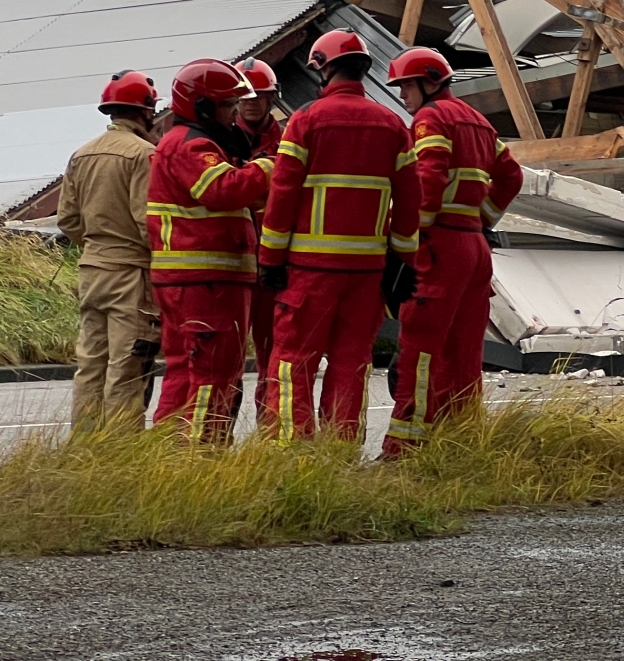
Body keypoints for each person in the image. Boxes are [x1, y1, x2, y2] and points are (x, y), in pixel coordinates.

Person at [258, 30, 420, 442]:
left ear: (323, 68)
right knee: (352, 363)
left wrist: (270, 260)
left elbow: (282, 195)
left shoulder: (306, 120)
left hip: (308, 272)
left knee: (294, 361)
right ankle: (340, 451)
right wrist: (401, 261)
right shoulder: (393, 125)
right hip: (367, 275)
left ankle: (291, 451)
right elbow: (409, 202)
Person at [379, 47, 522, 458]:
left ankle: (405, 447)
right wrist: (481, 218)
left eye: (406, 86)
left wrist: (408, 237)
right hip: (473, 248)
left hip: (439, 247)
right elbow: (511, 177)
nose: (403, 95)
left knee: (419, 349)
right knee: (464, 354)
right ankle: (460, 443)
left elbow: (428, 180)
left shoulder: (431, 119)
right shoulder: (478, 122)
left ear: (429, 82)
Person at [145, 59, 275, 443]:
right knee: (215, 374)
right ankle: (202, 454)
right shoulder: (193, 145)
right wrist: (268, 168)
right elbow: (221, 190)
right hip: (208, 284)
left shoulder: (189, 142)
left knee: (184, 372)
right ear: (202, 106)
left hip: (192, 282)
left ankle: (169, 452)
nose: (236, 112)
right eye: (228, 104)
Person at [57, 71, 162, 432]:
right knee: (127, 367)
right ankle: (120, 448)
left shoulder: (81, 154)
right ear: (146, 111)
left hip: (92, 271)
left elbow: (68, 219)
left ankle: (84, 446)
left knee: (90, 366)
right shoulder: (144, 155)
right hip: (131, 274)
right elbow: (146, 222)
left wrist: (98, 244)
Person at [233, 56, 282, 421]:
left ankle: (270, 430)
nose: (251, 102)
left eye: (258, 95)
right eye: (244, 96)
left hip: (273, 262)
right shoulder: (217, 139)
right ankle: (216, 435)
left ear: (271, 98)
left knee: (274, 353)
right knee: (226, 354)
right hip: (231, 259)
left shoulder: (289, 139)